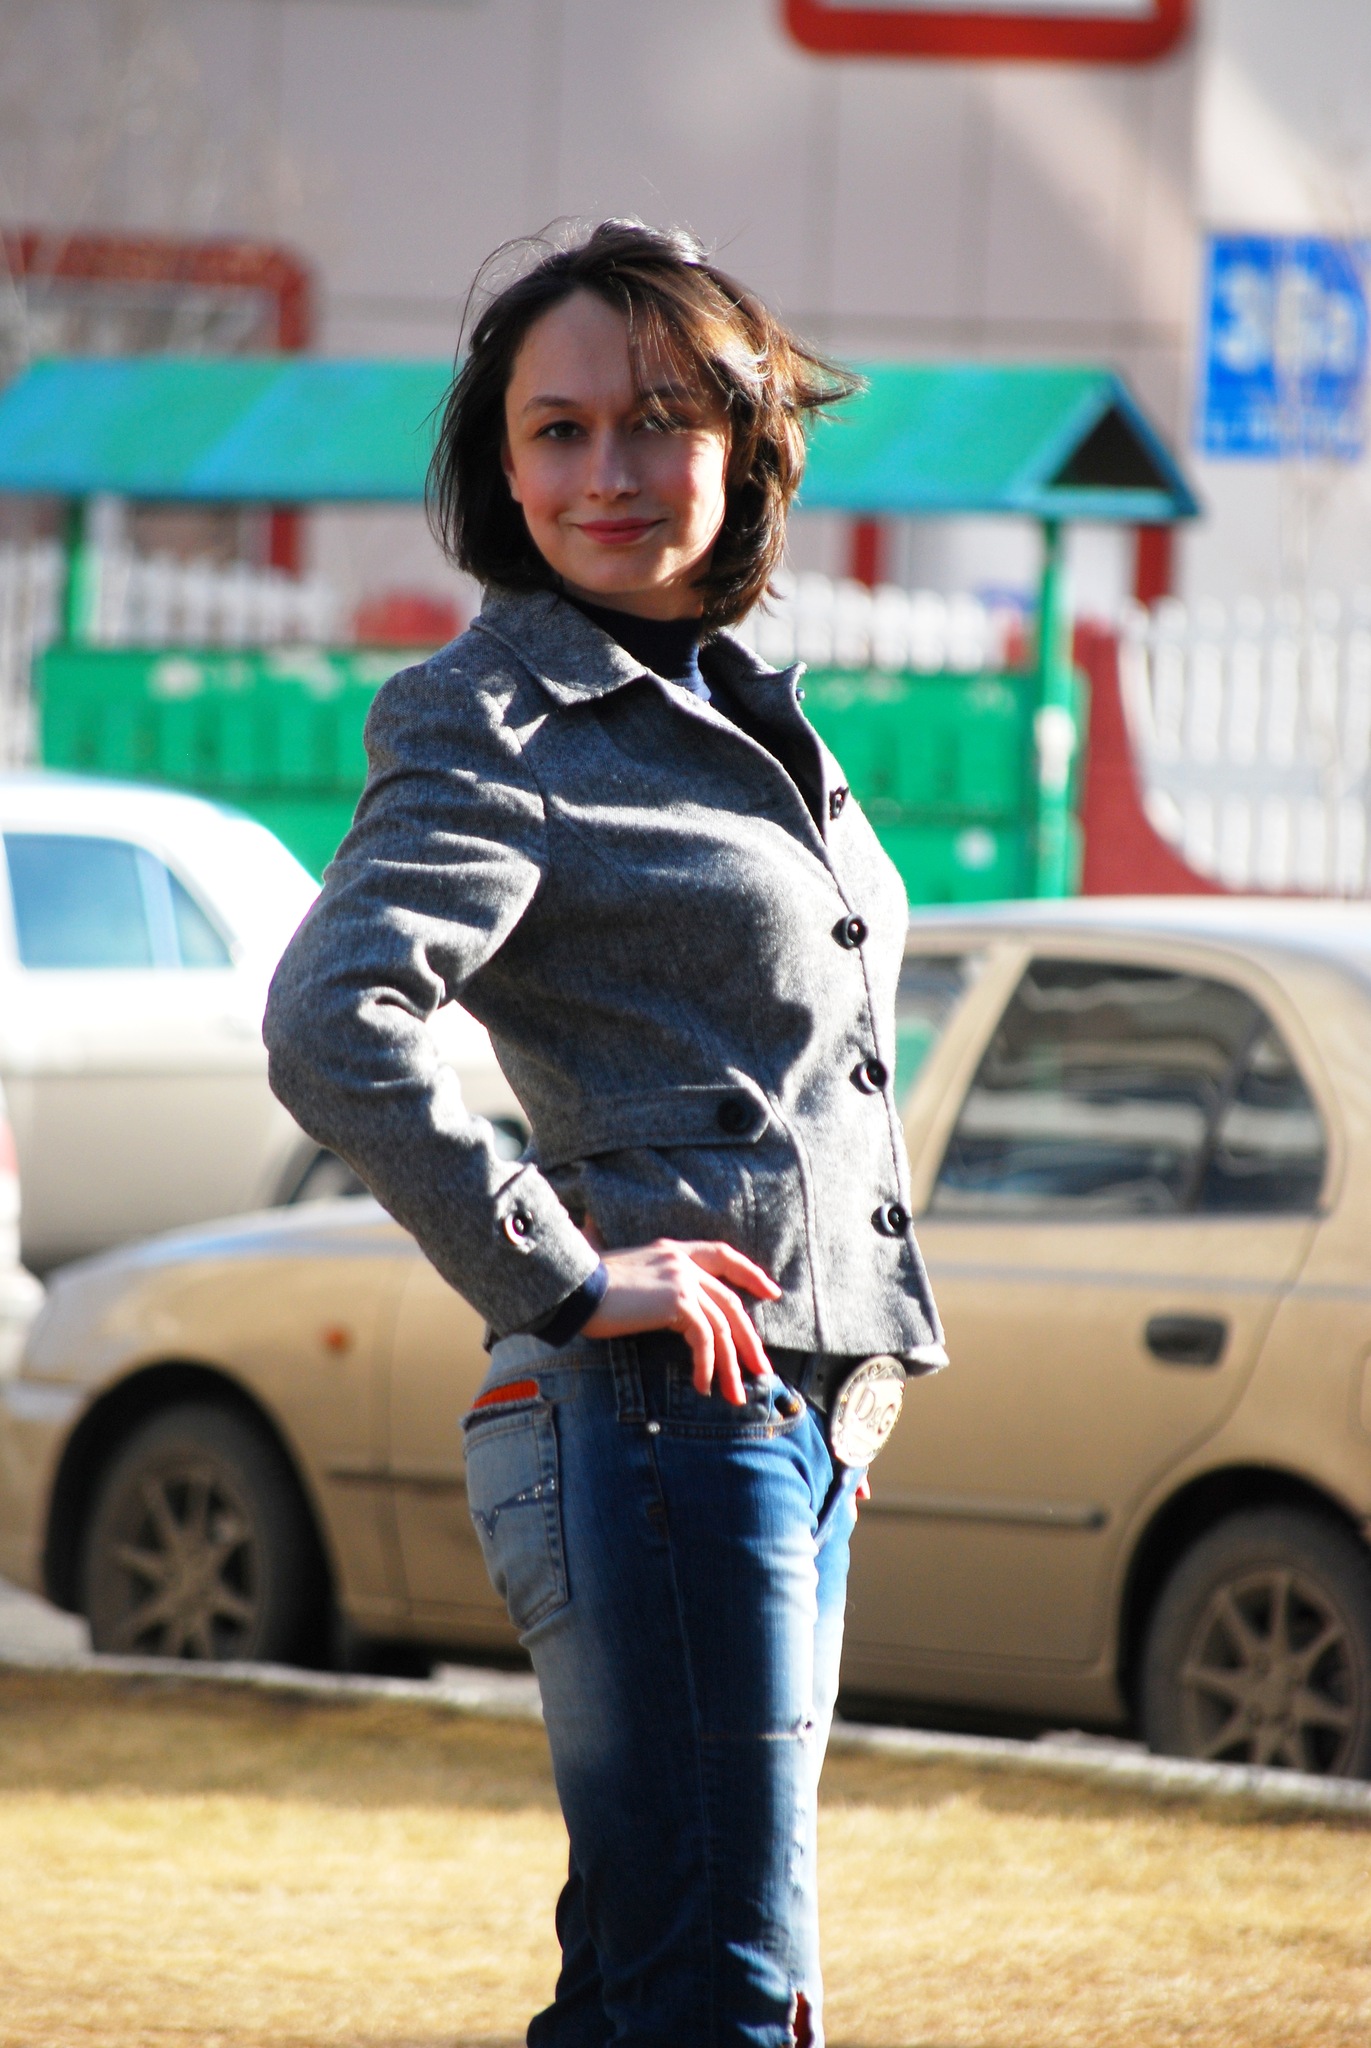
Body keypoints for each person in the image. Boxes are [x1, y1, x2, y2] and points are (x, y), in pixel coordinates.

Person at [263, 219, 945, 2048]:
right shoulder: (492, 716)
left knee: (660, 1989)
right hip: (660, 1421)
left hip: (785, 1424)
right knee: (720, 2000)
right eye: (556, 432)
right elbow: (333, 1020)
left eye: (655, 420)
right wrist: (561, 1276)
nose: (607, 474)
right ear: (502, 469)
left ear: (742, 441)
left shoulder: (733, 703)